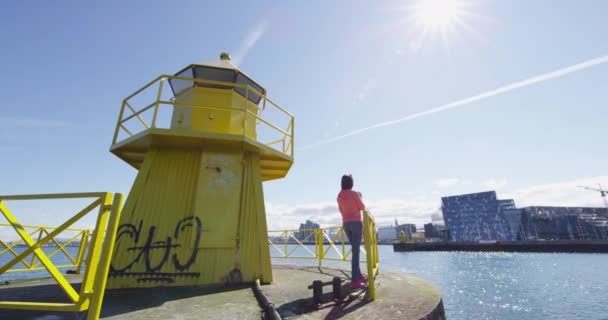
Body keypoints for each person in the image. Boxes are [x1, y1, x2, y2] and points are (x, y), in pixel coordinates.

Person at [337, 174, 368, 289]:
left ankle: (358, 276)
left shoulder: (339, 196)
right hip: (356, 223)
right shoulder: (355, 194)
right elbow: (362, 207)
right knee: (356, 253)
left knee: (355, 251)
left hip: (346, 223)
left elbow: (341, 210)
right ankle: (355, 281)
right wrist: (360, 197)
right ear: (351, 183)